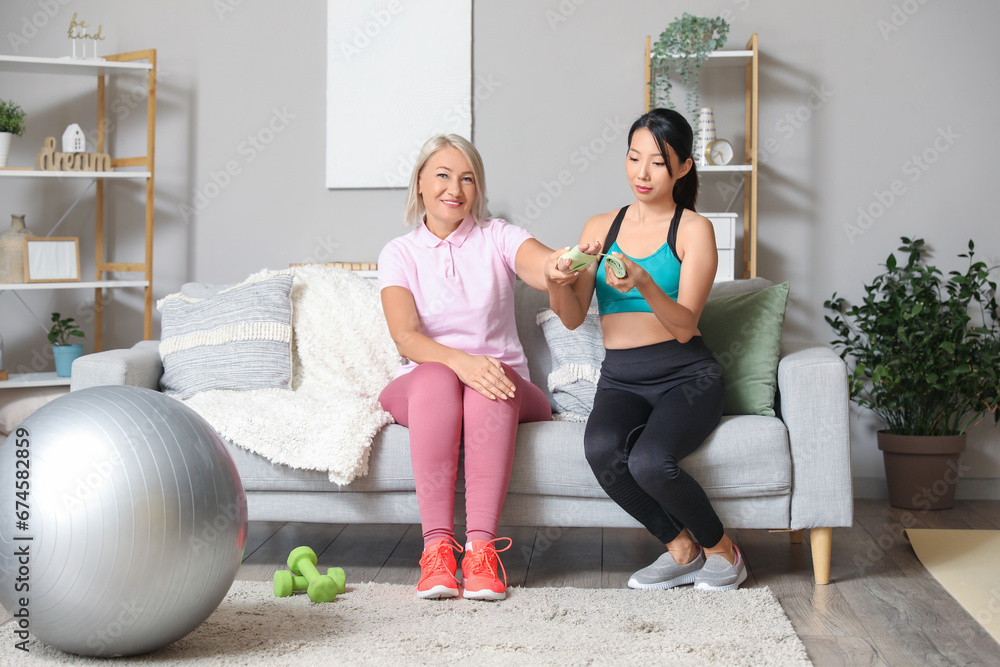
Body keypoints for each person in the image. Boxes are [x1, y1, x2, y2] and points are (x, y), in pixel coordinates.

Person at [544, 108, 747, 591]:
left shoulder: (694, 229)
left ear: (682, 168)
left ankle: (724, 551)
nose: (641, 172)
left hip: (687, 377)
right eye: (634, 158)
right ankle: (680, 549)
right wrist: (556, 282)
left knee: (649, 461)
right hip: (622, 378)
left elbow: (684, 326)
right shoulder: (602, 225)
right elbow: (572, 317)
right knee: (600, 450)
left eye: (657, 162)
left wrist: (644, 281)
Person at [377, 134, 556, 601]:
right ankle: (436, 551)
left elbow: (537, 263)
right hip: (427, 384)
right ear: (419, 182)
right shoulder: (399, 253)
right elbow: (406, 337)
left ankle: (481, 553)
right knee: (440, 376)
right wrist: (462, 363)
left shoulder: (497, 236)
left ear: (478, 190)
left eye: (467, 178)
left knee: (488, 380)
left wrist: (558, 266)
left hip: (501, 384)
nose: (454, 188)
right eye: (442, 174)